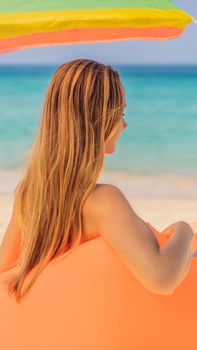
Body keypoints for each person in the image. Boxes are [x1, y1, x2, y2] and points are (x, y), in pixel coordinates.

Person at [0, 58, 196, 305]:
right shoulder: (103, 201)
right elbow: (161, 279)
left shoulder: (29, 195)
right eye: (121, 113)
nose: (124, 125)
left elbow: (4, 274)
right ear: (99, 120)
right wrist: (184, 230)